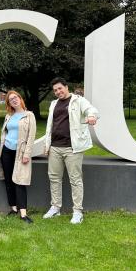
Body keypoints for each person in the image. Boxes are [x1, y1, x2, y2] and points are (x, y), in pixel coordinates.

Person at [43, 77, 99, 224]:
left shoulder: (78, 100)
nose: (58, 92)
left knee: (75, 180)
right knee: (54, 178)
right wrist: (47, 145)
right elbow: (50, 125)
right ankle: (55, 208)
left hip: (72, 148)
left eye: (60, 88)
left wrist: (92, 116)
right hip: (55, 147)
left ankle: (77, 212)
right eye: (55, 90)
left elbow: (91, 110)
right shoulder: (53, 104)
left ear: (67, 87)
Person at [0, 90, 36, 224]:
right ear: (9, 103)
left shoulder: (29, 115)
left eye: (15, 97)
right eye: (10, 99)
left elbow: (31, 137)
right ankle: (13, 208)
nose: (14, 100)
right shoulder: (9, 116)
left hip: (20, 153)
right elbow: (4, 133)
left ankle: (23, 213)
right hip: (6, 151)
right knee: (8, 180)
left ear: (20, 98)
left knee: (20, 181)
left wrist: (27, 154)